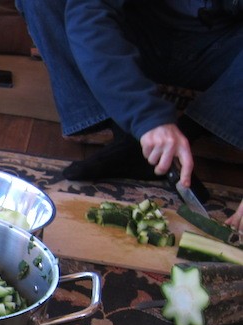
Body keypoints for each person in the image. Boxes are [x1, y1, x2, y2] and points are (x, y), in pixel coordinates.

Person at [15, 0, 243, 231]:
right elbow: (89, 13)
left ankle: (187, 132)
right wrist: (147, 118)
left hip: (223, 51)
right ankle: (127, 138)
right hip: (138, 35)